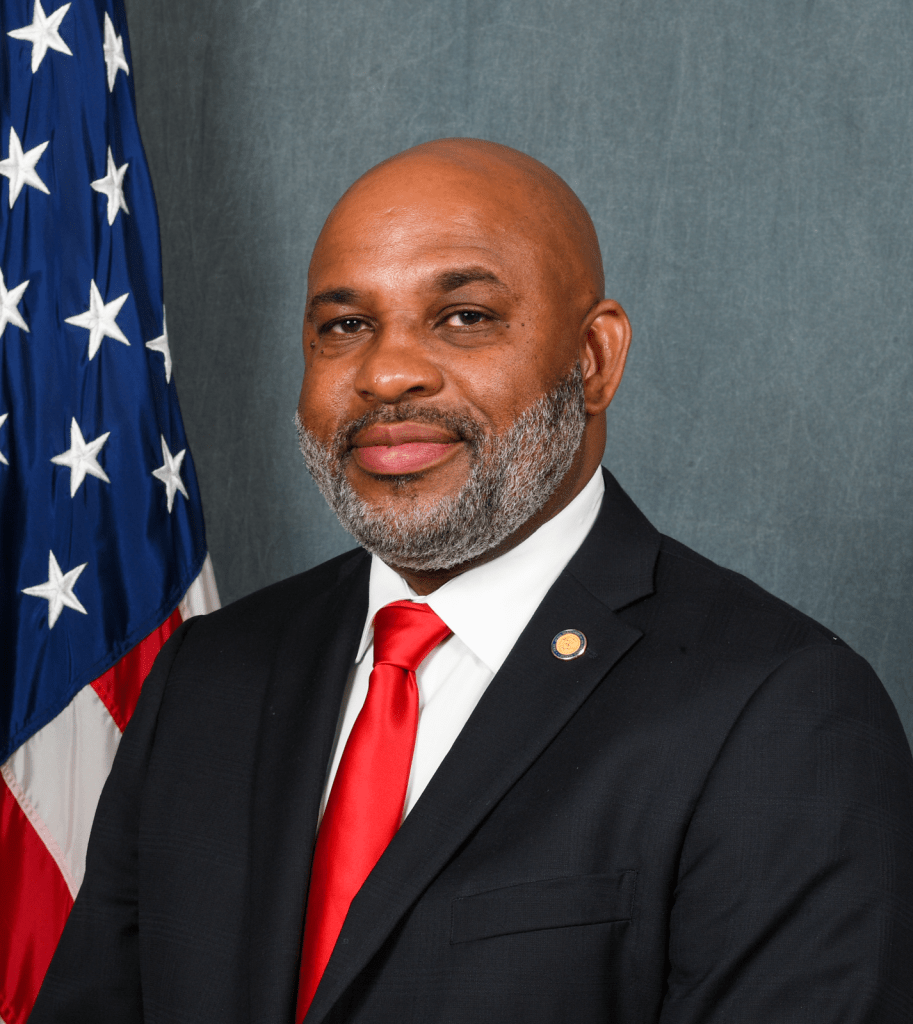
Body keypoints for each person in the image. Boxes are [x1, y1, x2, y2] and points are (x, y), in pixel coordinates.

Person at [33, 139, 913, 1024]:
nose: (386, 374)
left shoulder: (781, 710)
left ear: (594, 358)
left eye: (464, 316)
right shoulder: (209, 671)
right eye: (345, 326)